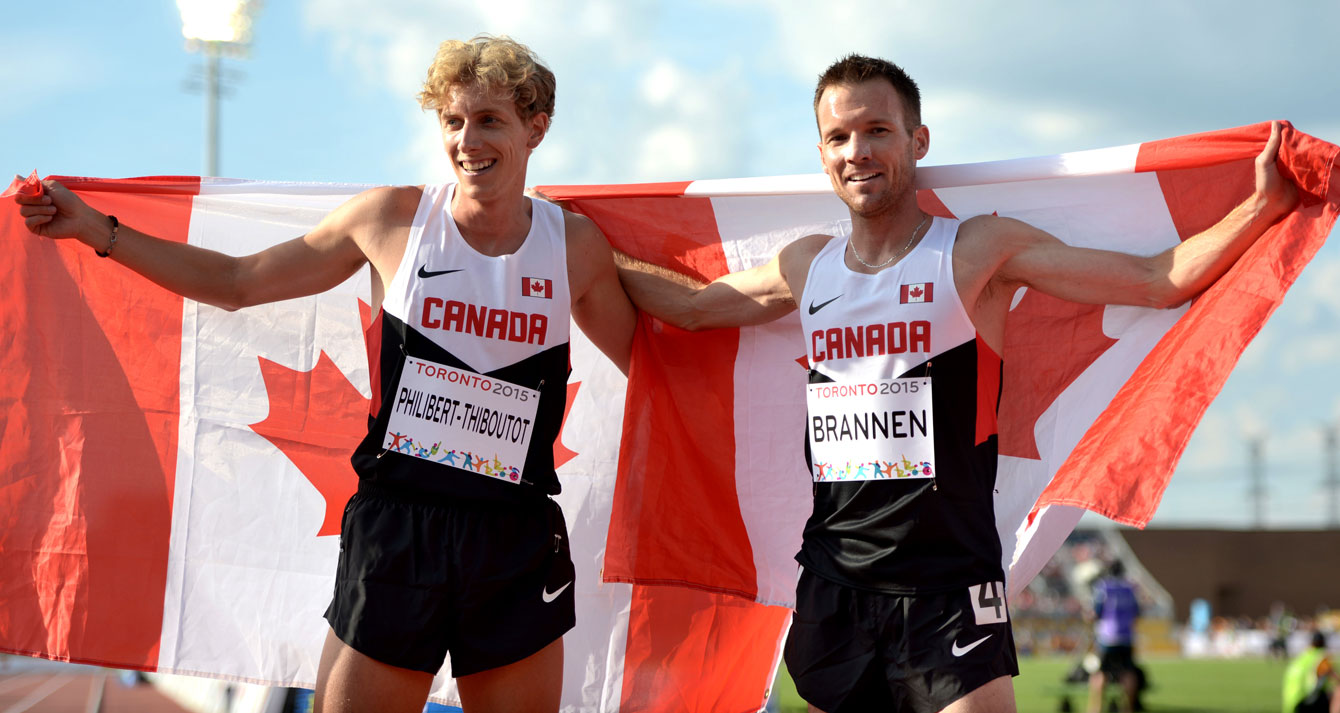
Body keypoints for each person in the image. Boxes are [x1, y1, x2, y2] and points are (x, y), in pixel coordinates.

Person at [612, 54, 1297, 713]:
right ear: (822, 154)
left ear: (918, 139)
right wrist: (576, 246)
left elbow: (1157, 280)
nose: (858, 151)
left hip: (948, 582)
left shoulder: (975, 250)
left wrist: (1260, 208)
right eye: (838, 136)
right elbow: (695, 308)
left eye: (877, 130)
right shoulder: (807, 266)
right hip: (834, 582)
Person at [14, 35, 635, 713]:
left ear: (536, 127)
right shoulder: (393, 219)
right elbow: (235, 280)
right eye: (452, 122)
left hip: (514, 539)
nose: (466, 140)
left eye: (489, 120)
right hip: (402, 532)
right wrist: (99, 231)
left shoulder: (572, 246)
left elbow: (652, 367)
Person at [1087, 560, 1141, 713]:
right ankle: (1128, 708)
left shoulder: (1104, 586)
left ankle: (1095, 708)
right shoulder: (1130, 588)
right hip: (1126, 635)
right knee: (1128, 672)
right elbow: (1136, 611)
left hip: (1107, 636)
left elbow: (1098, 611)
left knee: (1101, 671)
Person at [1283, 631, 1340, 713]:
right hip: (1306, 700)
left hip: (1291, 703)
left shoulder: (1302, 656)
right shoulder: (1321, 657)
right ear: (1324, 643)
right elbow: (1335, 678)